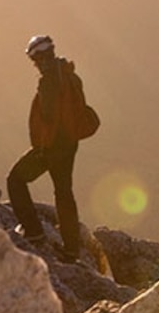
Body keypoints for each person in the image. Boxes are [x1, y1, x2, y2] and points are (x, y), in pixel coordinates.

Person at [7, 33, 99, 258]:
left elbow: (49, 117)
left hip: (52, 146)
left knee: (16, 180)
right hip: (70, 143)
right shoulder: (70, 74)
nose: (36, 64)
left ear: (38, 58)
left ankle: (34, 231)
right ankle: (71, 249)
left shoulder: (48, 81)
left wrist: (41, 149)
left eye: (34, 60)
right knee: (64, 192)